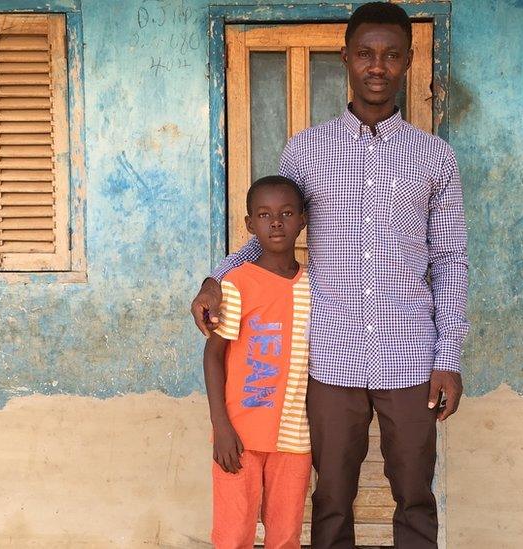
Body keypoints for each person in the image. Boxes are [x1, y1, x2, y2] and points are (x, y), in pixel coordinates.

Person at [192, 3, 469, 547]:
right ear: (345, 57)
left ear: (408, 62)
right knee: (331, 497)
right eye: (366, 53)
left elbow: (450, 260)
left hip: (410, 352)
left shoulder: (436, 157)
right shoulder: (307, 151)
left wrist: (449, 359)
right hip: (330, 352)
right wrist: (215, 279)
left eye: (391, 55)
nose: (377, 66)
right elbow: (270, 235)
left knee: (414, 492)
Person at [202, 175, 312, 549]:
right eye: (264, 215)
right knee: (234, 535)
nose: (276, 222)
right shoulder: (237, 283)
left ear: (302, 219)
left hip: (295, 438)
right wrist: (221, 426)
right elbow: (214, 354)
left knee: (285, 537)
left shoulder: (315, 285)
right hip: (239, 437)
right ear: (250, 225)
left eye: (286, 213)